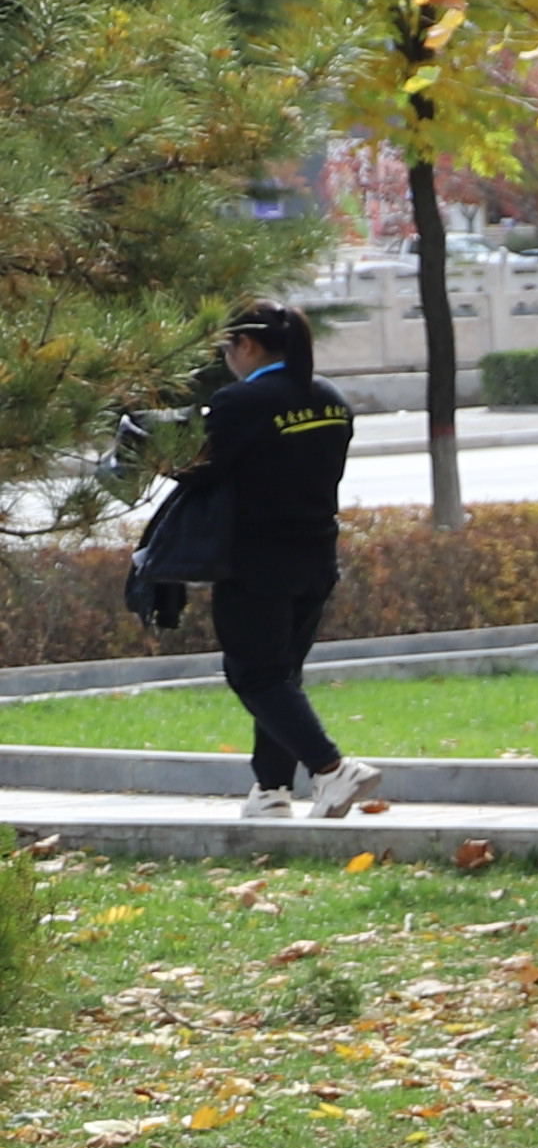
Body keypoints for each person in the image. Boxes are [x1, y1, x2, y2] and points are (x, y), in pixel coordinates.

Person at [183, 304, 362, 817]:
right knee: (280, 675)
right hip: (316, 555)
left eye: (226, 348)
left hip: (255, 562)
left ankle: (331, 769)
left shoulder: (242, 402)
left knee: (254, 675)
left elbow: (199, 469)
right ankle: (272, 791)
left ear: (248, 346)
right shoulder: (330, 398)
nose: (226, 360)